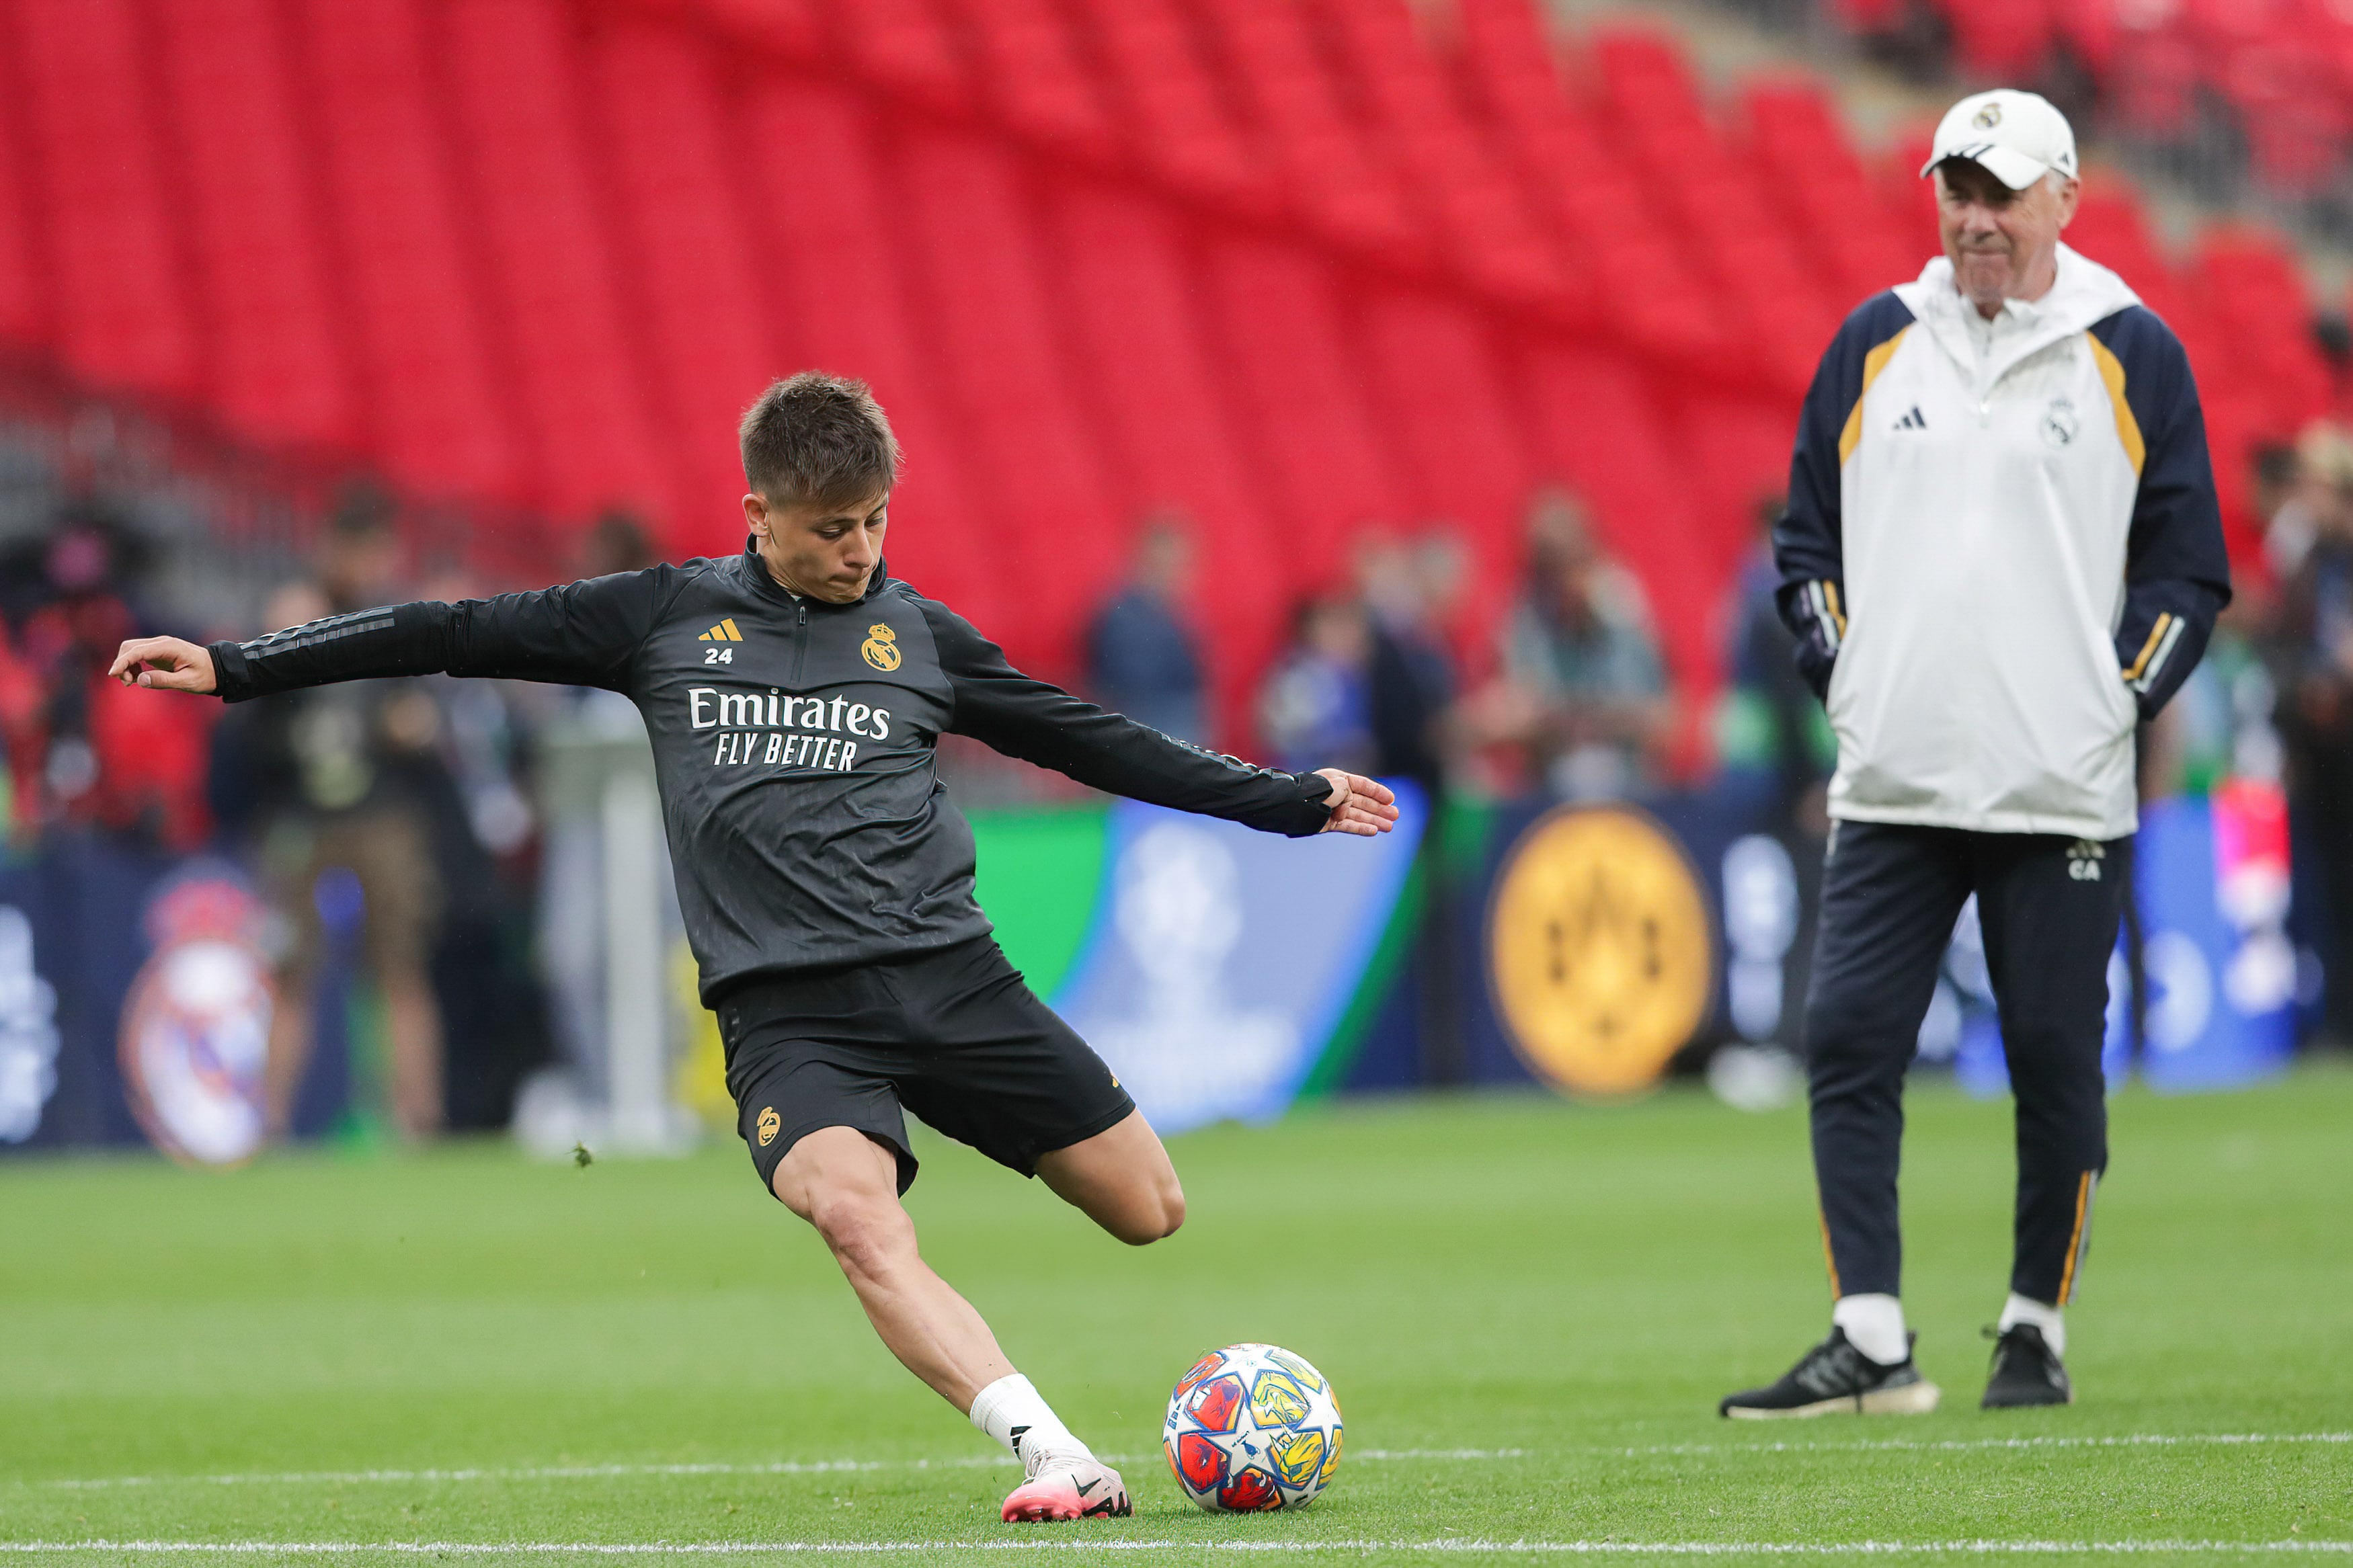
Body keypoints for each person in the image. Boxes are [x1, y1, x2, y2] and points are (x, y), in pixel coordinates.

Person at [112, 372, 1397, 1524]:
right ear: (758, 512)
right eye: (832, 527)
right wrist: (235, 667)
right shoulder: (660, 616)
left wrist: (1284, 797)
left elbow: (1089, 737)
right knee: (856, 1216)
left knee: (1148, 1208)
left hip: (950, 974)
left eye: (876, 521)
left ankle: (967, 1156)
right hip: (793, 1015)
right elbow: (448, 631)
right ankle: (1051, 1451)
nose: (859, 550)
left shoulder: (919, 636)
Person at [1722, 89, 2229, 1417]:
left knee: (2054, 1057)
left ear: (2064, 195)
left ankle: (2033, 1323)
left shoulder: (2131, 347)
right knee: (1845, 1039)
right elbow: (1806, 546)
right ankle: (1870, 1334)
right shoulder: (1872, 341)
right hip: (1893, 780)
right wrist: (1856, 682)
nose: (1974, 218)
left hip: (2059, 782)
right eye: (1956, 189)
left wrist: (2105, 701)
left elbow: (2187, 572)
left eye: (2000, 192)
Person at [205, 492, 452, 1141]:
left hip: (381, 814)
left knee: (400, 970)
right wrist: (277, 645)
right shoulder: (293, 613)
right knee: (292, 974)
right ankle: (269, 1123)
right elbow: (242, 733)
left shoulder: (396, 620)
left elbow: (422, 715)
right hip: (300, 817)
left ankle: (418, 1120)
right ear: (332, 549)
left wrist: (412, 725)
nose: (368, 564)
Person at [1486, 487, 1672, 800]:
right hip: (1551, 793)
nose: (1562, 577)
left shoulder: (1623, 612)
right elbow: (1515, 713)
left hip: (1627, 790)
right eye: (1548, 563)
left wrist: (1588, 718)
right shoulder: (1524, 620)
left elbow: (1663, 717)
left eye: (1571, 559)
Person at [1082, 513, 1207, 743]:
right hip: (1142, 726)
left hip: (1176, 727)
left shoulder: (1179, 617)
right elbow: (1127, 683)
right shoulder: (1120, 615)